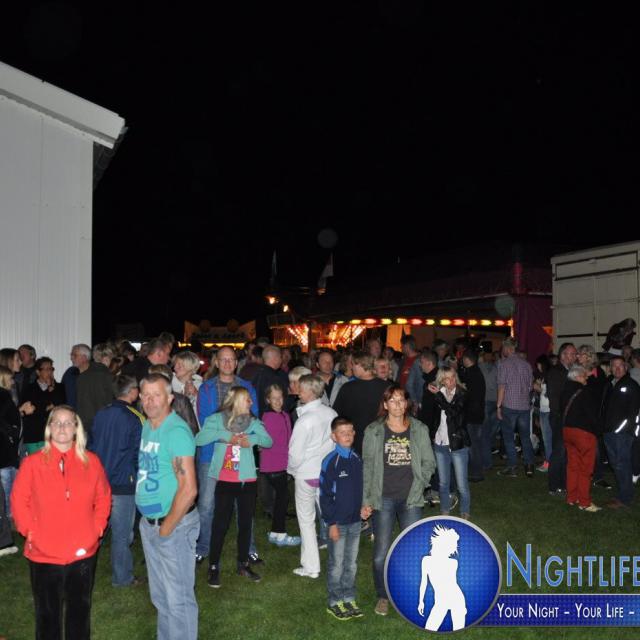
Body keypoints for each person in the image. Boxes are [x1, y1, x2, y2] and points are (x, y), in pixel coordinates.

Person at [11, 405, 111, 639]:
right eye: (56, 422)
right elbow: (18, 500)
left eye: (68, 422)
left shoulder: (92, 462)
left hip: (82, 553)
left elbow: (104, 497)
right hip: (43, 553)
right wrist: (30, 532)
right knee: (47, 616)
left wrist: (96, 529)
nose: (62, 427)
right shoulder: (33, 463)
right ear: (49, 428)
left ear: (76, 428)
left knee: (79, 613)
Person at [362, 384, 435, 616]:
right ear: (385, 404)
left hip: (410, 499)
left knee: (413, 551)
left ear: (407, 403)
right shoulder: (373, 431)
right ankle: (383, 596)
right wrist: (366, 500)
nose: (397, 405)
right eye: (392, 400)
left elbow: (429, 462)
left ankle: (411, 594)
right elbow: (367, 467)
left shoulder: (419, 429)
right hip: (382, 498)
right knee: (380, 555)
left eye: (401, 400)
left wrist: (419, 486)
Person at [136, 373, 199, 640]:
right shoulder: (148, 426)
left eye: (157, 395)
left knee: (179, 600)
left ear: (170, 398)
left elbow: (189, 490)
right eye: (146, 395)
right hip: (150, 524)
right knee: (161, 597)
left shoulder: (176, 432)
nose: (150, 401)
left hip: (173, 525)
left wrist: (165, 529)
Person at [195, 386, 272, 587]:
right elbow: (199, 439)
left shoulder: (253, 422)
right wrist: (225, 436)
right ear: (236, 400)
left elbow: (268, 441)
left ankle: (243, 564)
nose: (251, 403)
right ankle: (213, 566)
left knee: (246, 524)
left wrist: (252, 439)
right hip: (224, 480)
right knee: (220, 524)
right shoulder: (216, 419)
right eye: (247, 399)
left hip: (247, 481)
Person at [194, 346, 259, 564]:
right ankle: (203, 547)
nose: (227, 363)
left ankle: (248, 548)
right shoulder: (206, 389)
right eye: (223, 359)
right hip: (212, 453)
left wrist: (238, 436)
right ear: (216, 362)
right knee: (206, 504)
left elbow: (254, 416)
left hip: (240, 453)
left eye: (231, 359)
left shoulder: (247, 387)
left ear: (237, 362)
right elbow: (205, 421)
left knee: (244, 505)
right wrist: (228, 435)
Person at [88, 375, 143, 586]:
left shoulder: (101, 413)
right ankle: (122, 577)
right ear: (132, 392)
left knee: (98, 528)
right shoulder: (134, 417)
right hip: (123, 483)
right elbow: (138, 453)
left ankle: (84, 569)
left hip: (100, 481)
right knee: (122, 534)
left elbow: (91, 445)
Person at [288, 374, 337, 579]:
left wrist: (292, 470)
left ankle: (311, 567)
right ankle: (338, 561)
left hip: (307, 474)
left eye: (301, 388)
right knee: (331, 518)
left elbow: (295, 454)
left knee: (307, 522)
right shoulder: (331, 413)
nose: (298, 392)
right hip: (326, 473)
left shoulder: (304, 420)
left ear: (309, 391)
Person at [320, 417, 365, 620]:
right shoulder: (331, 462)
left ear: (354, 434)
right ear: (334, 436)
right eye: (342, 432)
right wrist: (331, 523)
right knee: (336, 564)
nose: (347, 435)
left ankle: (349, 597)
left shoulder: (356, 459)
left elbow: (360, 488)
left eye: (350, 431)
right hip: (337, 523)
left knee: (351, 563)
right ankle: (334, 601)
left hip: (355, 522)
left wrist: (363, 507)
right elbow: (325, 496)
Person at [429, 366, 471, 518]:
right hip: (440, 443)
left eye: (453, 376)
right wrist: (433, 434)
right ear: (442, 380)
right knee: (443, 482)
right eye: (447, 378)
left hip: (457, 443)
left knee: (461, 484)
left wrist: (439, 397)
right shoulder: (438, 394)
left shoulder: (461, 394)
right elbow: (433, 416)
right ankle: (445, 510)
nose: (451, 380)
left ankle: (465, 511)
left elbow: (453, 413)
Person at [261, 385, 300, 547]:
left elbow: (288, 439)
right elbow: (270, 444)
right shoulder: (269, 417)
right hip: (273, 464)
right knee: (283, 497)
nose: (278, 401)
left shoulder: (284, 414)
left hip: (283, 463)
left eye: (280, 398)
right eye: (274, 398)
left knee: (282, 498)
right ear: (268, 400)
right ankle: (280, 534)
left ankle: (275, 533)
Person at [333, 351, 390, 455]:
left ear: (360, 365)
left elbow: (337, 415)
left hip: (356, 442)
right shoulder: (387, 387)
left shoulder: (347, 388)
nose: (351, 367)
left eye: (353, 364)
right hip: (382, 440)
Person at [561, 365, 601, 512]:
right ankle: (584, 502)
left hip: (567, 431)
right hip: (583, 433)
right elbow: (591, 415)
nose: (587, 378)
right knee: (585, 468)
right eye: (584, 376)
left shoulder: (565, 391)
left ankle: (572, 498)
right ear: (577, 377)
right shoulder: (584, 392)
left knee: (572, 466)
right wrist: (598, 431)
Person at [602, 356, 640, 509]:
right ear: (610, 368)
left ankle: (625, 498)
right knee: (616, 464)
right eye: (614, 366)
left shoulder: (631, 385)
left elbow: (633, 412)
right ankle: (623, 493)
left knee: (622, 464)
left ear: (626, 367)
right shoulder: (610, 384)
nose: (617, 369)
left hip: (621, 433)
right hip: (609, 431)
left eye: (620, 366)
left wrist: (620, 430)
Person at [496, 338, 535, 478]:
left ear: (507, 348)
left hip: (509, 406)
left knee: (508, 437)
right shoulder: (527, 365)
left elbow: (501, 387)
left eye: (503, 348)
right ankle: (529, 466)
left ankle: (512, 467)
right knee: (525, 437)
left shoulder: (504, 364)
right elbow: (530, 387)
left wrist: (498, 406)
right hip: (524, 406)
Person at [418, 525, 467, 631]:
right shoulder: (426, 560)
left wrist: (462, 608)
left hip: (456, 599)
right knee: (429, 628)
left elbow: (452, 584)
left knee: (459, 631)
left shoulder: (453, 563)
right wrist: (421, 601)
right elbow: (423, 582)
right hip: (440, 601)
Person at [546, 343, 578, 495]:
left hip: (568, 417)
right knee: (559, 451)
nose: (574, 357)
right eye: (572, 354)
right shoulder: (556, 372)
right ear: (563, 355)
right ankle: (554, 485)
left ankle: (564, 484)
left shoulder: (570, 371)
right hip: (560, 417)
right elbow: (554, 397)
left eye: (575, 354)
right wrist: (562, 415)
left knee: (566, 452)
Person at [22, 357, 66, 454]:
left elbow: (60, 406)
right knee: (35, 461)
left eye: (51, 369)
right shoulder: (29, 388)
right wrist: (48, 406)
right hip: (34, 434)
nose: (49, 372)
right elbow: (30, 410)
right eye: (46, 369)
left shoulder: (59, 387)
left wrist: (51, 388)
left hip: (53, 433)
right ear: (38, 372)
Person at [76, 343, 114, 434]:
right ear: (106, 359)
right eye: (111, 359)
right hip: (102, 424)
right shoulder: (107, 376)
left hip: (84, 425)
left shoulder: (81, 376)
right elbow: (110, 402)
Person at [460, 350, 486, 482]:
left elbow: (469, 396)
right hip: (478, 413)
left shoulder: (471, 374)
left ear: (466, 359)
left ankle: (476, 473)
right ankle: (478, 470)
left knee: (472, 445)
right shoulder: (477, 372)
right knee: (477, 444)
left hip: (472, 414)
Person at [0, 366, 21, 521]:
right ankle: (8, 520)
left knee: (10, 487)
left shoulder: (5, 395)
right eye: (10, 378)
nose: (13, 381)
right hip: (5, 451)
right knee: (7, 488)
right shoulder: (3, 396)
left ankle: (9, 518)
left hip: (7, 450)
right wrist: (12, 432)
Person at [253, 345, 290, 417]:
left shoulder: (257, 374)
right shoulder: (275, 378)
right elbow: (282, 403)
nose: (281, 360)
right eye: (280, 357)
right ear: (275, 358)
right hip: (273, 417)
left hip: (259, 417)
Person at [171, 351, 203, 418]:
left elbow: (205, 410)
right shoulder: (168, 383)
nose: (175, 368)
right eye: (175, 364)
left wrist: (197, 394)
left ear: (190, 367)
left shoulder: (201, 386)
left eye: (180, 365)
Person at [61, 344, 91, 410]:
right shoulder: (69, 372)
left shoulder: (94, 375)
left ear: (84, 357)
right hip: (70, 412)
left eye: (74, 355)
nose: (71, 358)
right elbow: (61, 392)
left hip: (87, 413)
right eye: (71, 355)